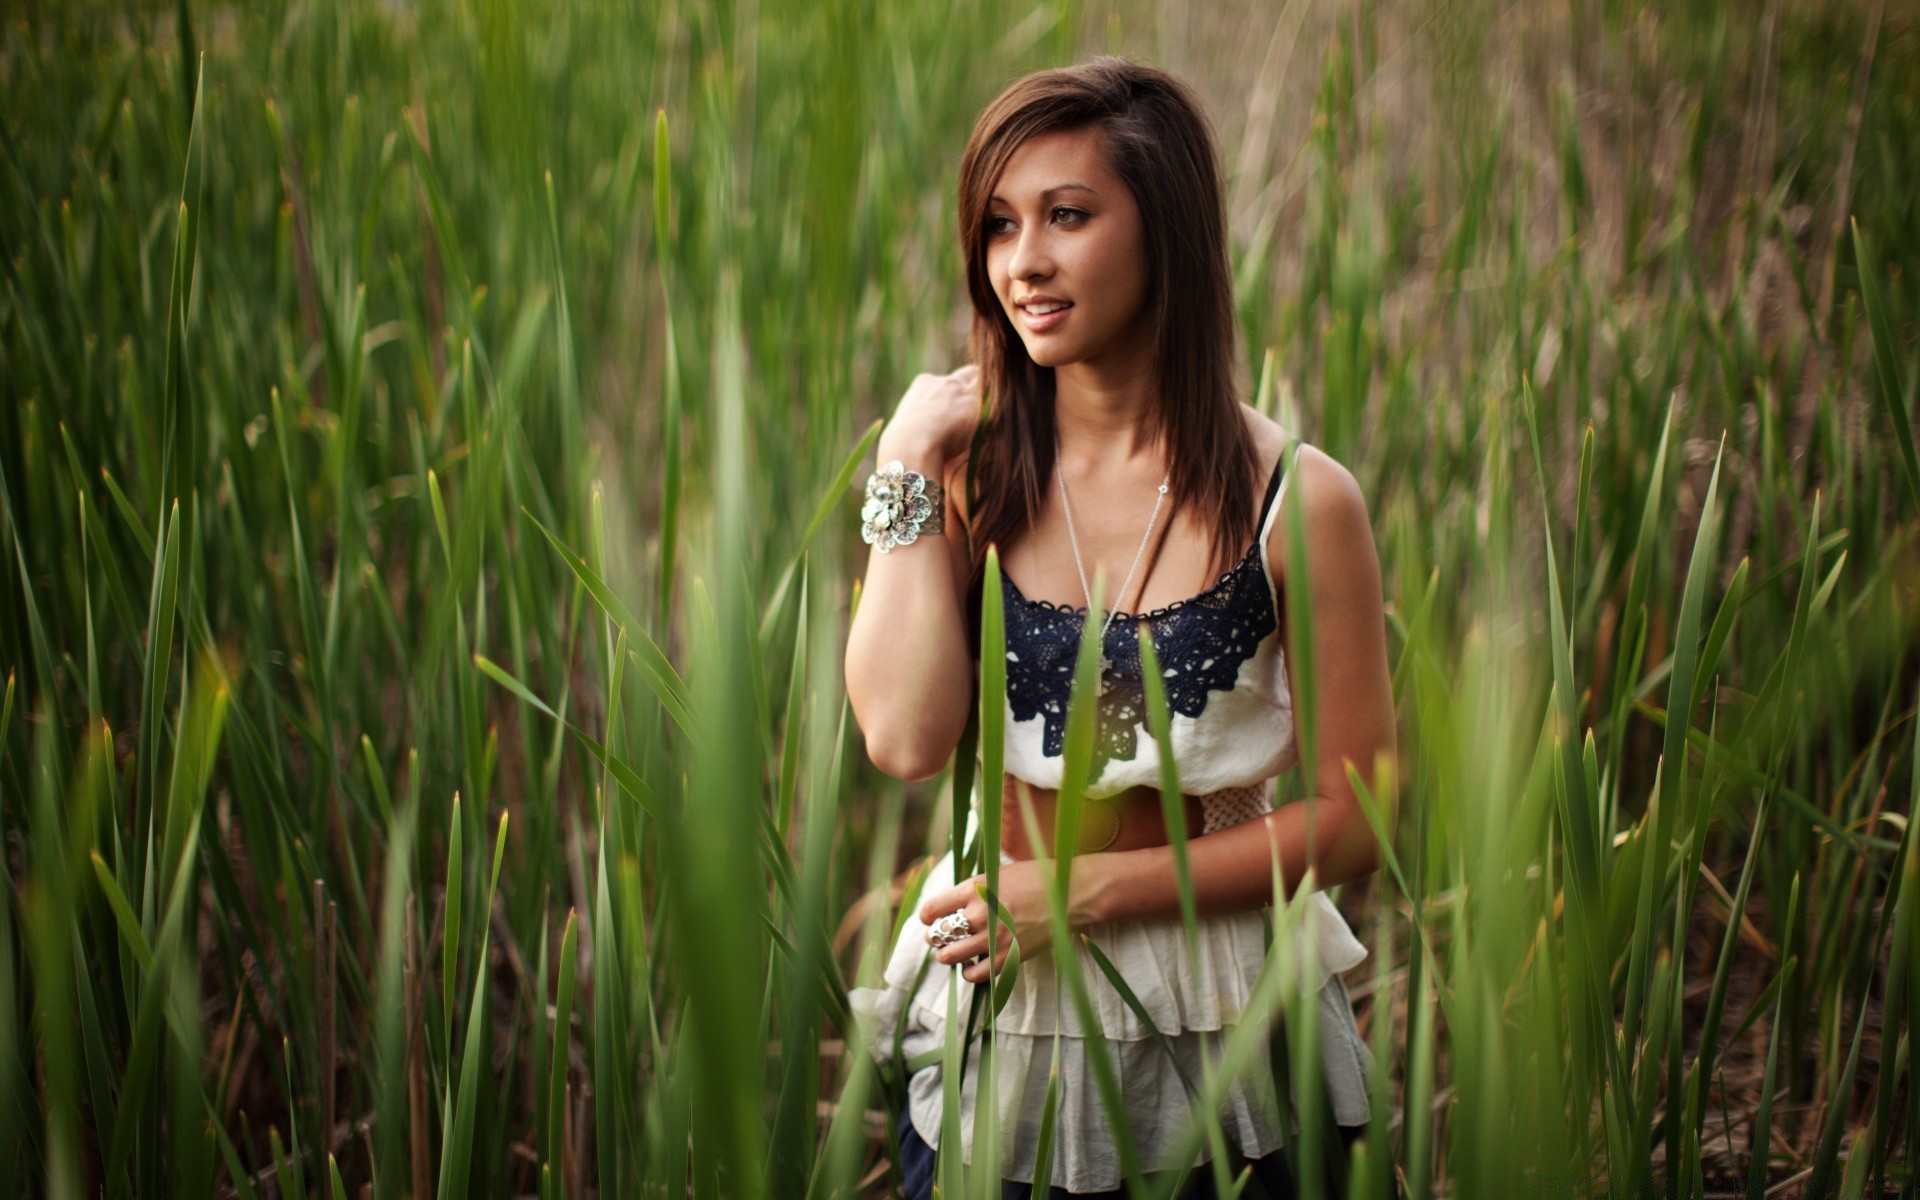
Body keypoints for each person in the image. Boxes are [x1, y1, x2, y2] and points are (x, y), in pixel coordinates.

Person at [844, 57, 1399, 1199]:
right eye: (999, 225)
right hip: (1003, 1010)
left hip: (1223, 1021)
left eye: (1069, 216)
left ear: (1169, 233)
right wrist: (903, 465)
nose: (1023, 262)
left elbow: (1355, 821)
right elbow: (901, 739)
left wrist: (1085, 896)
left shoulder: (1298, 500)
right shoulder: (971, 480)